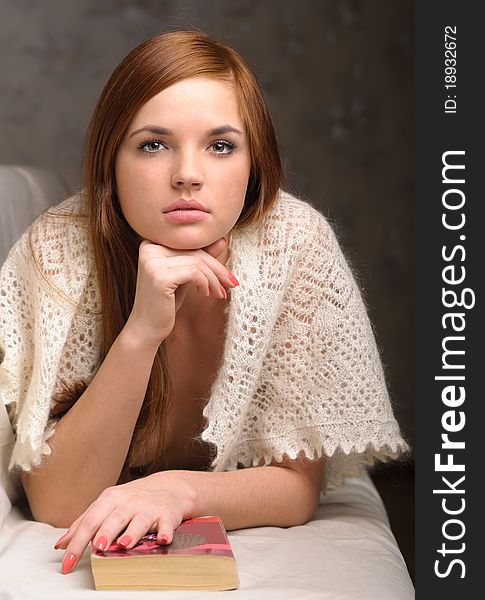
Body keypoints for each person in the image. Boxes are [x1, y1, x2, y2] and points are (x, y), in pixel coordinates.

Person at [0, 29, 409, 575]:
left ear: (253, 164)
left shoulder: (295, 245)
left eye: (220, 145)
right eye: (153, 144)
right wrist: (142, 331)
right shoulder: (58, 249)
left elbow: (295, 487)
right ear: (110, 164)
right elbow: (57, 504)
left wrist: (178, 491)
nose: (188, 175)